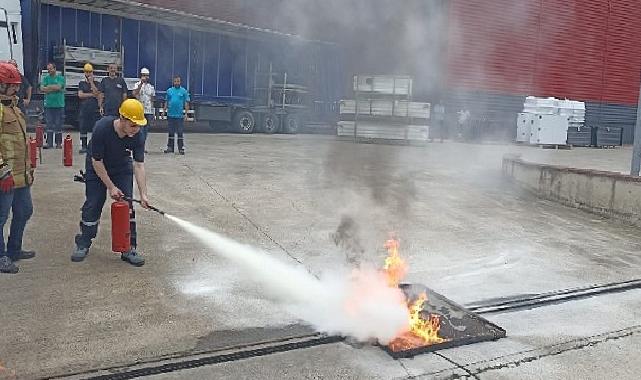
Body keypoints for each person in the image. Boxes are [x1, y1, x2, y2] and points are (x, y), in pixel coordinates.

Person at [71, 99, 150, 266]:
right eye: (133, 125)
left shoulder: (138, 135)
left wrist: (143, 194)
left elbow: (139, 165)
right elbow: (96, 161)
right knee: (94, 203)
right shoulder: (102, 128)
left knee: (127, 206)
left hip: (121, 166)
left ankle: (128, 247)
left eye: (138, 126)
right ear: (122, 119)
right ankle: (83, 242)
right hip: (97, 166)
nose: (136, 130)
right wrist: (111, 187)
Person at [0, 62, 35, 274]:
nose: (16, 89)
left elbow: (22, 141)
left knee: (24, 210)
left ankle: (14, 249)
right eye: (11, 85)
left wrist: (29, 169)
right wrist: (2, 170)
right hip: (5, 175)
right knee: (1, 217)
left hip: (21, 175)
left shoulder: (14, 107)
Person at [77, 63, 102, 154]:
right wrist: (92, 95)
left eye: (90, 72)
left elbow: (98, 93)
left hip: (94, 110)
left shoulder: (97, 83)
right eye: (86, 72)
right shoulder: (81, 83)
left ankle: (93, 147)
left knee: (95, 129)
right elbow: (80, 95)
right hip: (84, 109)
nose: (88, 74)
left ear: (92, 72)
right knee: (83, 128)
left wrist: (91, 82)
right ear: (84, 73)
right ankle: (83, 146)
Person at [40, 62, 65, 149]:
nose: (49, 71)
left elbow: (59, 87)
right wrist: (53, 88)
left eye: (51, 69)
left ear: (55, 68)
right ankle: (49, 143)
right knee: (49, 125)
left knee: (58, 125)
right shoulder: (45, 78)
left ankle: (58, 143)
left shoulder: (61, 78)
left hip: (59, 105)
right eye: (48, 69)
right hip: (48, 105)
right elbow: (42, 88)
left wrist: (49, 88)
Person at [163, 76, 189, 155]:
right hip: (171, 115)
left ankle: (181, 148)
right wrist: (164, 111)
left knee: (180, 132)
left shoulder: (183, 91)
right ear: (173, 82)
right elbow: (166, 101)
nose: (176, 83)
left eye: (178, 81)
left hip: (179, 116)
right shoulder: (169, 91)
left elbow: (186, 103)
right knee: (171, 132)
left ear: (180, 82)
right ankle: (170, 148)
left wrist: (186, 114)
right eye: (175, 81)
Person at [133, 67, 155, 149]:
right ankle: (138, 145)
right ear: (141, 76)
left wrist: (153, 112)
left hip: (148, 111)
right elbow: (134, 94)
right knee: (140, 130)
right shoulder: (137, 85)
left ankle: (142, 146)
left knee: (145, 131)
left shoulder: (151, 87)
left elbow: (152, 100)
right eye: (144, 75)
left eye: (147, 76)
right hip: (140, 111)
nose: (146, 77)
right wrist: (141, 84)